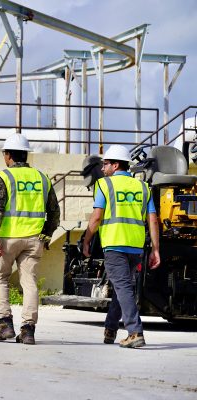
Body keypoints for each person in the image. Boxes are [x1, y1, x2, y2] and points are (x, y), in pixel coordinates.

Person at [82, 144, 160, 348]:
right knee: (121, 288)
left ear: (116, 165)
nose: (103, 168)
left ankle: (135, 331)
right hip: (135, 247)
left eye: (106, 164)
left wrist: (87, 239)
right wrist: (155, 249)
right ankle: (110, 329)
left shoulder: (104, 185)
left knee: (123, 287)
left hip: (115, 244)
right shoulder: (143, 187)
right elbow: (153, 220)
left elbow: (96, 216)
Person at [0, 133, 60, 345]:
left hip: (8, 238)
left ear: (8, 155)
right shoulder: (42, 178)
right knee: (29, 283)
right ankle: (28, 330)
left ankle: (5, 324)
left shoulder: (3, 177)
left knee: (0, 278)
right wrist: (46, 235)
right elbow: (54, 212)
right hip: (34, 239)